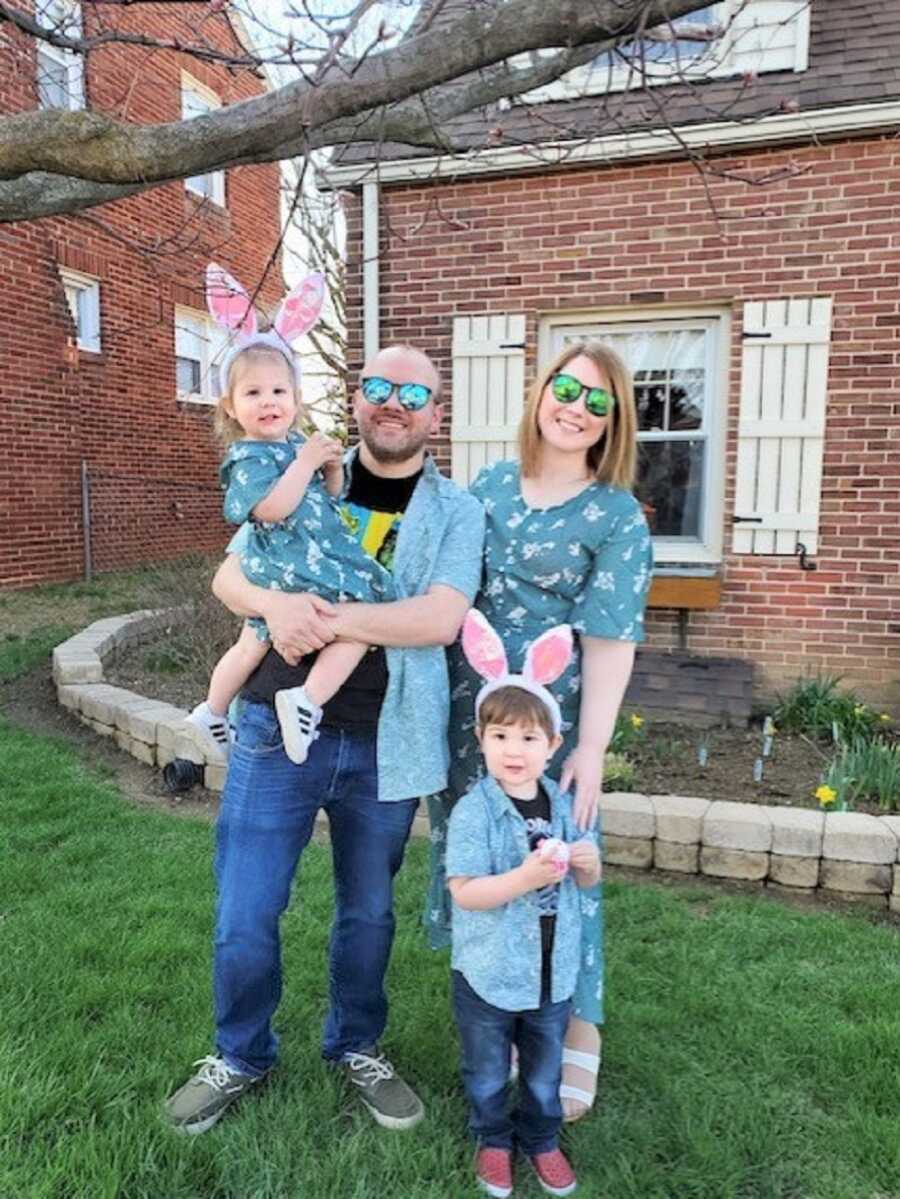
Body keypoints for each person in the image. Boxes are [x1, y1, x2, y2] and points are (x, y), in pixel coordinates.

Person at [164, 343, 485, 1135]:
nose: (394, 401)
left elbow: (438, 618)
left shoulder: (456, 510)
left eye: (414, 391)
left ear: (434, 413)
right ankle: (239, 1052)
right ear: (356, 398)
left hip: (387, 737)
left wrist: (321, 619)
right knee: (245, 909)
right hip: (275, 726)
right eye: (378, 385)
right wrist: (274, 607)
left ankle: (356, 1046)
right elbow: (228, 576)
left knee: (369, 913)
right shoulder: (302, 465)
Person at [428, 340, 652, 1123]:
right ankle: (499, 1005)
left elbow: (612, 636)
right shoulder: (487, 485)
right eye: (567, 389)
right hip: (474, 714)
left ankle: (573, 1015)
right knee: (485, 857)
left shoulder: (616, 515)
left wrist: (589, 748)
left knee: (559, 859)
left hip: (550, 729)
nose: (576, 408)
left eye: (598, 402)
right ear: (541, 391)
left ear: (612, 422)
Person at [185, 265, 390, 767]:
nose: (269, 402)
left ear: (297, 400)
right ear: (230, 407)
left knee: (252, 641)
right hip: (289, 564)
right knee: (371, 603)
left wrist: (329, 467)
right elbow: (271, 510)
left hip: (294, 562)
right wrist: (302, 464)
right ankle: (306, 701)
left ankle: (211, 710)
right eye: (253, 394)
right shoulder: (250, 457)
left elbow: (331, 499)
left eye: (279, 392)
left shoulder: (296, 446)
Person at [447, 611, 600, 1198]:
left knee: (542, 1070)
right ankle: (492, 1138)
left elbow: (583, 884)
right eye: (501, 736)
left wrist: (587, 865)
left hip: (550, 974)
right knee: (487, 1069)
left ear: (553, 744)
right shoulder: (474, 813)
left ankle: (540, 1138)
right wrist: (525, 875)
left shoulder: (559, 807)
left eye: (529, 737)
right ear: (481, 739)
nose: (515, 750)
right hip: (488, 972)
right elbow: (466, 891)